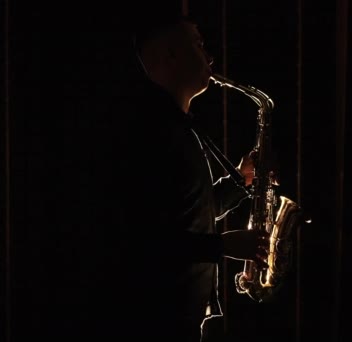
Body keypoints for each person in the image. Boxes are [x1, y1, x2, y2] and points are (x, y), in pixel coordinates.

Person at [74, 12, 270, 342]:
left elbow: (186, 212)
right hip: (149, 319)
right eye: (198, 44)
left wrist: (241, 180)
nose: (209, 56)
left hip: (173, 317)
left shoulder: (175, 126)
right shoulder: (146, 133)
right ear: (169, 56)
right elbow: (138, 240)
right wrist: (222, 245)